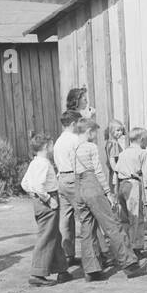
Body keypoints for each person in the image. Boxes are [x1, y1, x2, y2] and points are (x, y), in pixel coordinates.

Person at [75, 119, 146, 280]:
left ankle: (91, 270)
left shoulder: (73, 147)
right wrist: (107, 192)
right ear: (88, 131)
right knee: (112, 224)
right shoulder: (90, 147)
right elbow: (98, 172)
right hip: (92, 185)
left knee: (87, 229)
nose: (95, 136)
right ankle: (129, 263)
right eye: (94, 133)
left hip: (78, 187)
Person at [19, 132, 72, 286]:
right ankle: (37, 273)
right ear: (45, 146)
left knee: (54, 234)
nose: (53, 147)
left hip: (40, 200)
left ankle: (62, 270)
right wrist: (49, 199)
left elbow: (25, 183)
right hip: (48, 200)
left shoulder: (35, 162)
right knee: (47, 236)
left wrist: (34, 195)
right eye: (51, 144)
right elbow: (36, 185)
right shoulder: (43, 163)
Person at [52, 110, 88, 271]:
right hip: (74, 178)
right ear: (73, 124)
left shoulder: (58, 141)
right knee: (86, 214)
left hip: (61, 179)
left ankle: (68, 255)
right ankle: (94, 254)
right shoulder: (75, 139)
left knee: (65, 219)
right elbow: (80, 161)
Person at [114, 126, 147, 255]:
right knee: (136, 216)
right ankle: (136, 247)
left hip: (122, 185)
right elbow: (145, 174)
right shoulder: (142, 153)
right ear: (142, 139)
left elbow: (117, 170)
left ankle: (126, 244)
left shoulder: (123, 153)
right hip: (134, 184)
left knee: (125, 217)